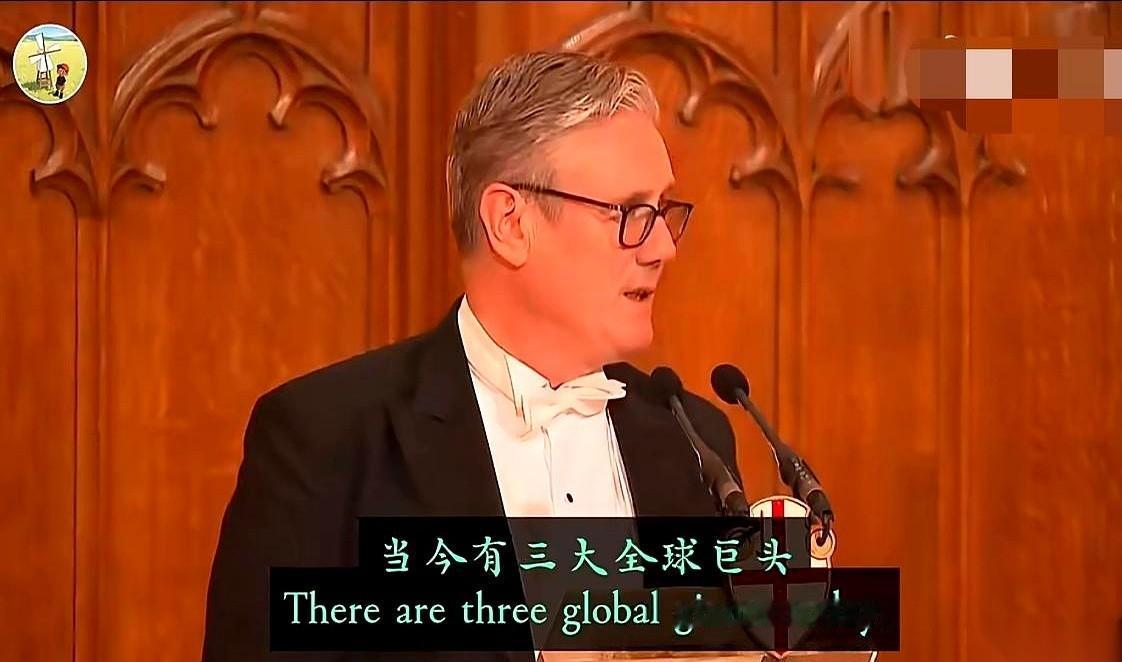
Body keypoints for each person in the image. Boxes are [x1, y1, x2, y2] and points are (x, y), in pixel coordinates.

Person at [202, 50, 742, 661]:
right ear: (509, 222)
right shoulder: (326, 442)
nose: (663, 247)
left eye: (664, 211)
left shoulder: (693, 441)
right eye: (632, 214)